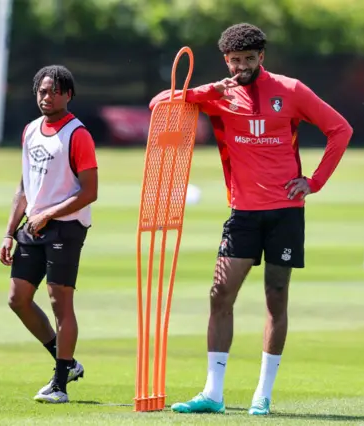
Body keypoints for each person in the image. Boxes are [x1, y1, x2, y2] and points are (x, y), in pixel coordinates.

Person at [149, 23, 353, 415]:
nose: (241, 67)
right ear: (226, 60)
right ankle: (213, 393)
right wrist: (208, 91)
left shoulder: (290, 91)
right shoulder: (219, 94)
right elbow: (160, 104)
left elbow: (339, 129)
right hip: (242, 213)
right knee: (219, 294)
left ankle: (263, 392)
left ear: (263, 57)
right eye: (235, 61)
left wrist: (314, 182)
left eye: (249, 59)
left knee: (276, 297)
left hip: (285, 213)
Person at [0, 65, 98, 404]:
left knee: (60, 303)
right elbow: (24, 185)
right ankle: (66, 361)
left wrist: (47, 215)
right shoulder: (30, 131)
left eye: (54, 90)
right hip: (33, 226)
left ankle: (60, 385)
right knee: (18, 299)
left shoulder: (77, 134)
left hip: (65, 227)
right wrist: (9, 232)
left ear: (68, 95)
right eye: (42, 90)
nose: (47, 96)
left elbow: (90, 191)